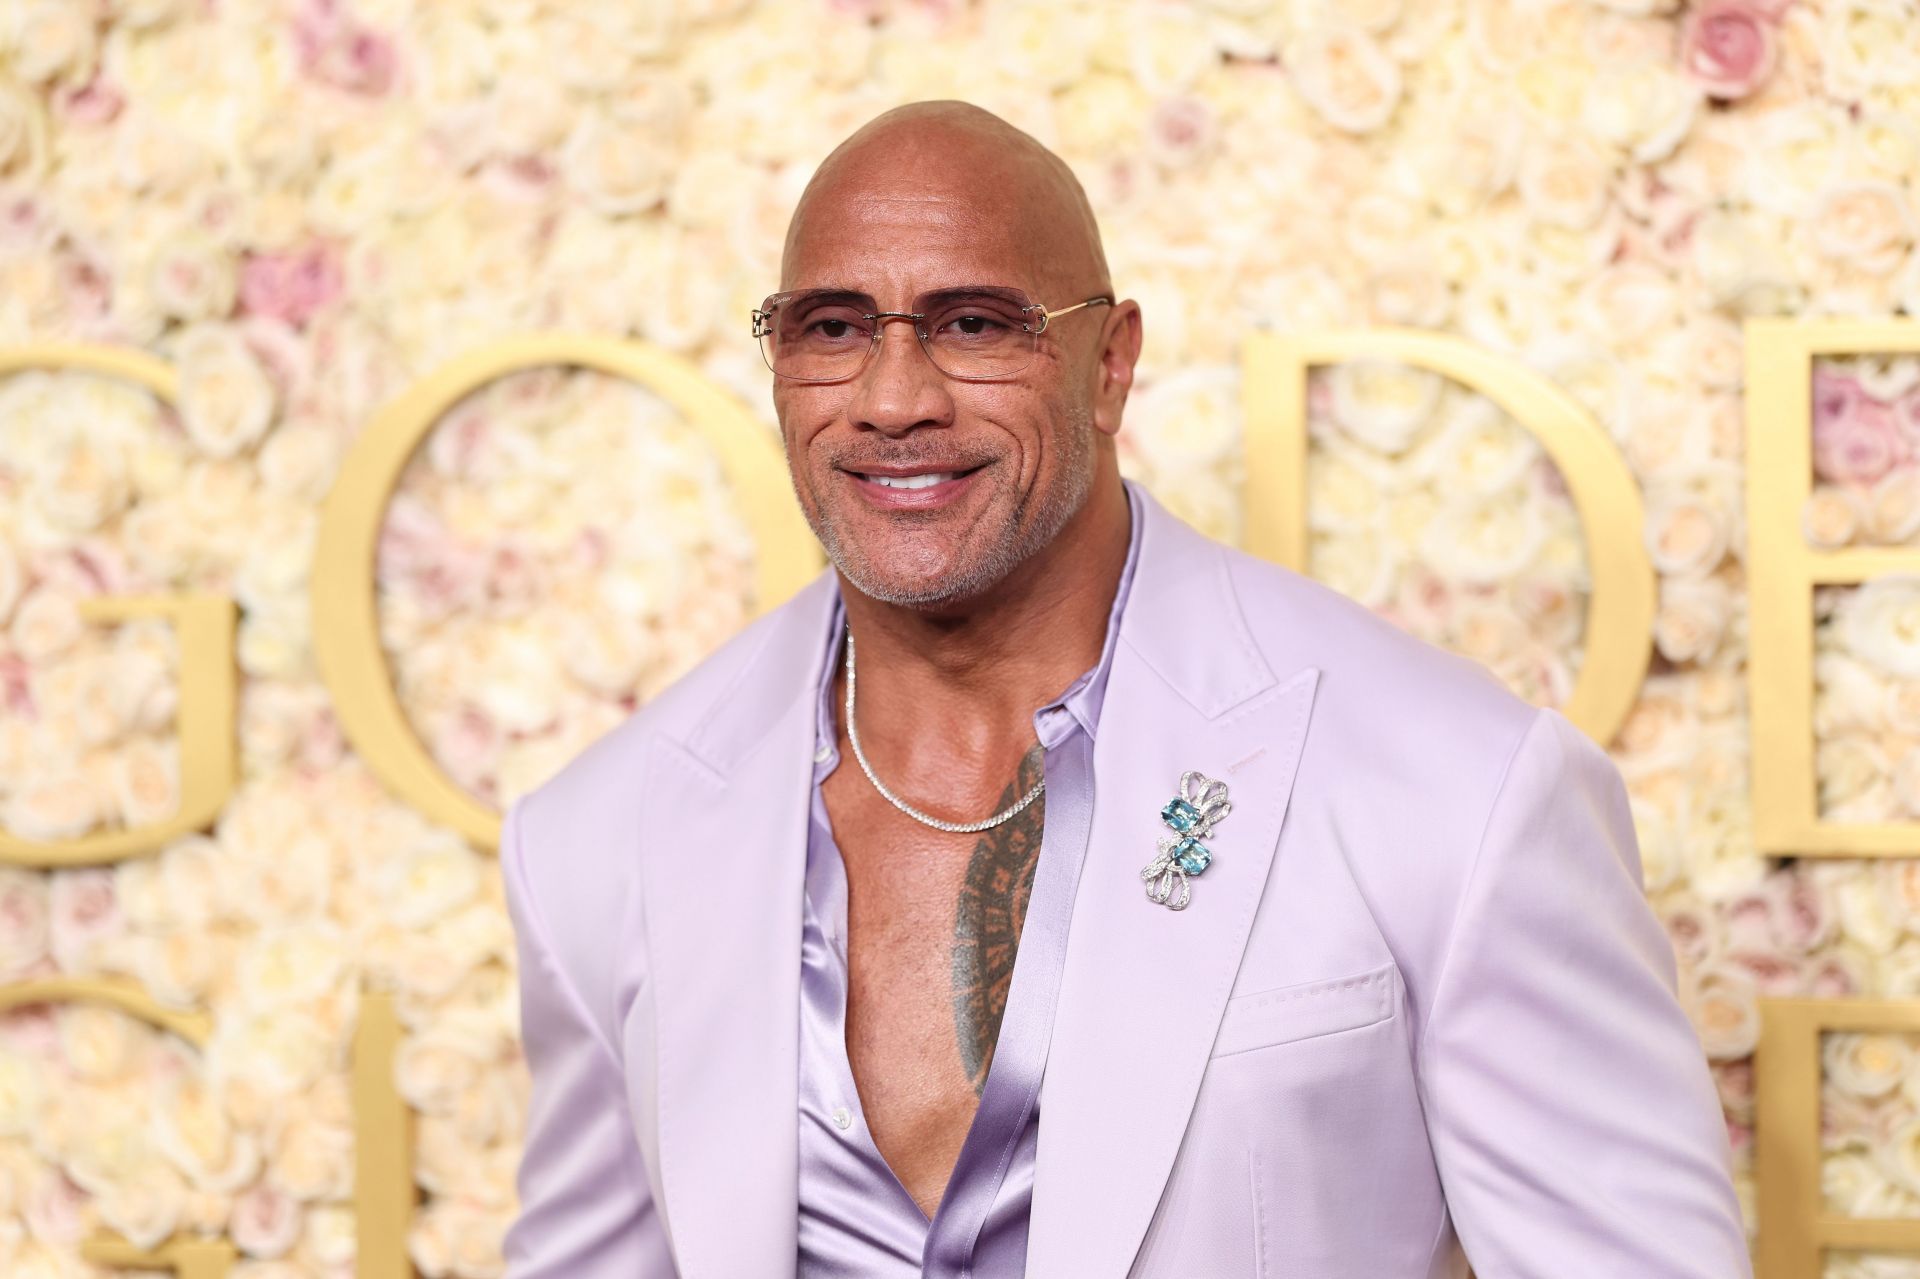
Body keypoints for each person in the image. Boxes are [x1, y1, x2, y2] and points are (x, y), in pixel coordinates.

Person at [498, 101, 1750, 1279]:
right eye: (833, 328)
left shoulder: (1460, 788)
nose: (894, 399)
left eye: (974, 323)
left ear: (1111, 362)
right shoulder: (599, 840)